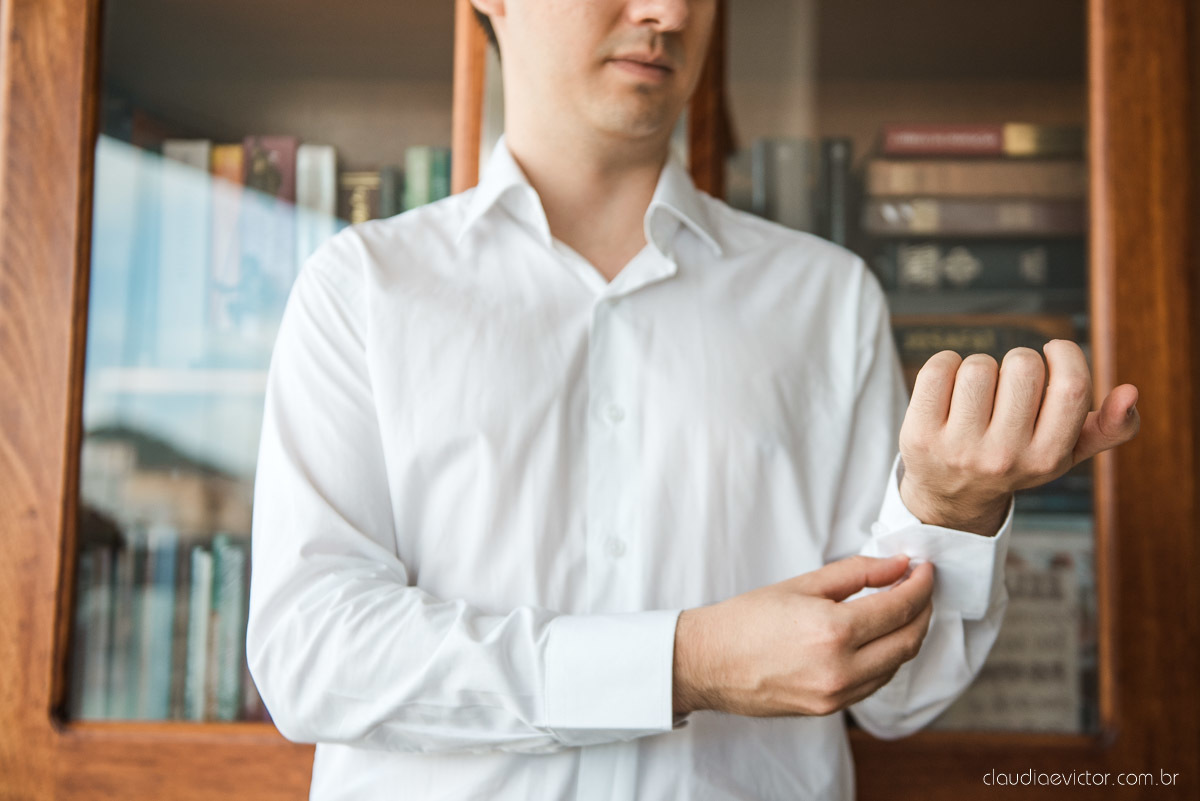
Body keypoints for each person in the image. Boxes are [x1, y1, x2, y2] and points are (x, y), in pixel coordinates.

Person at [245, 1, 1141, 799]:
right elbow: (314, 653)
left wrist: (955, 506)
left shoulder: (828, 301)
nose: (669, 12)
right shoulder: (361, 289)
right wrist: (683, 664)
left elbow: (900, 698)